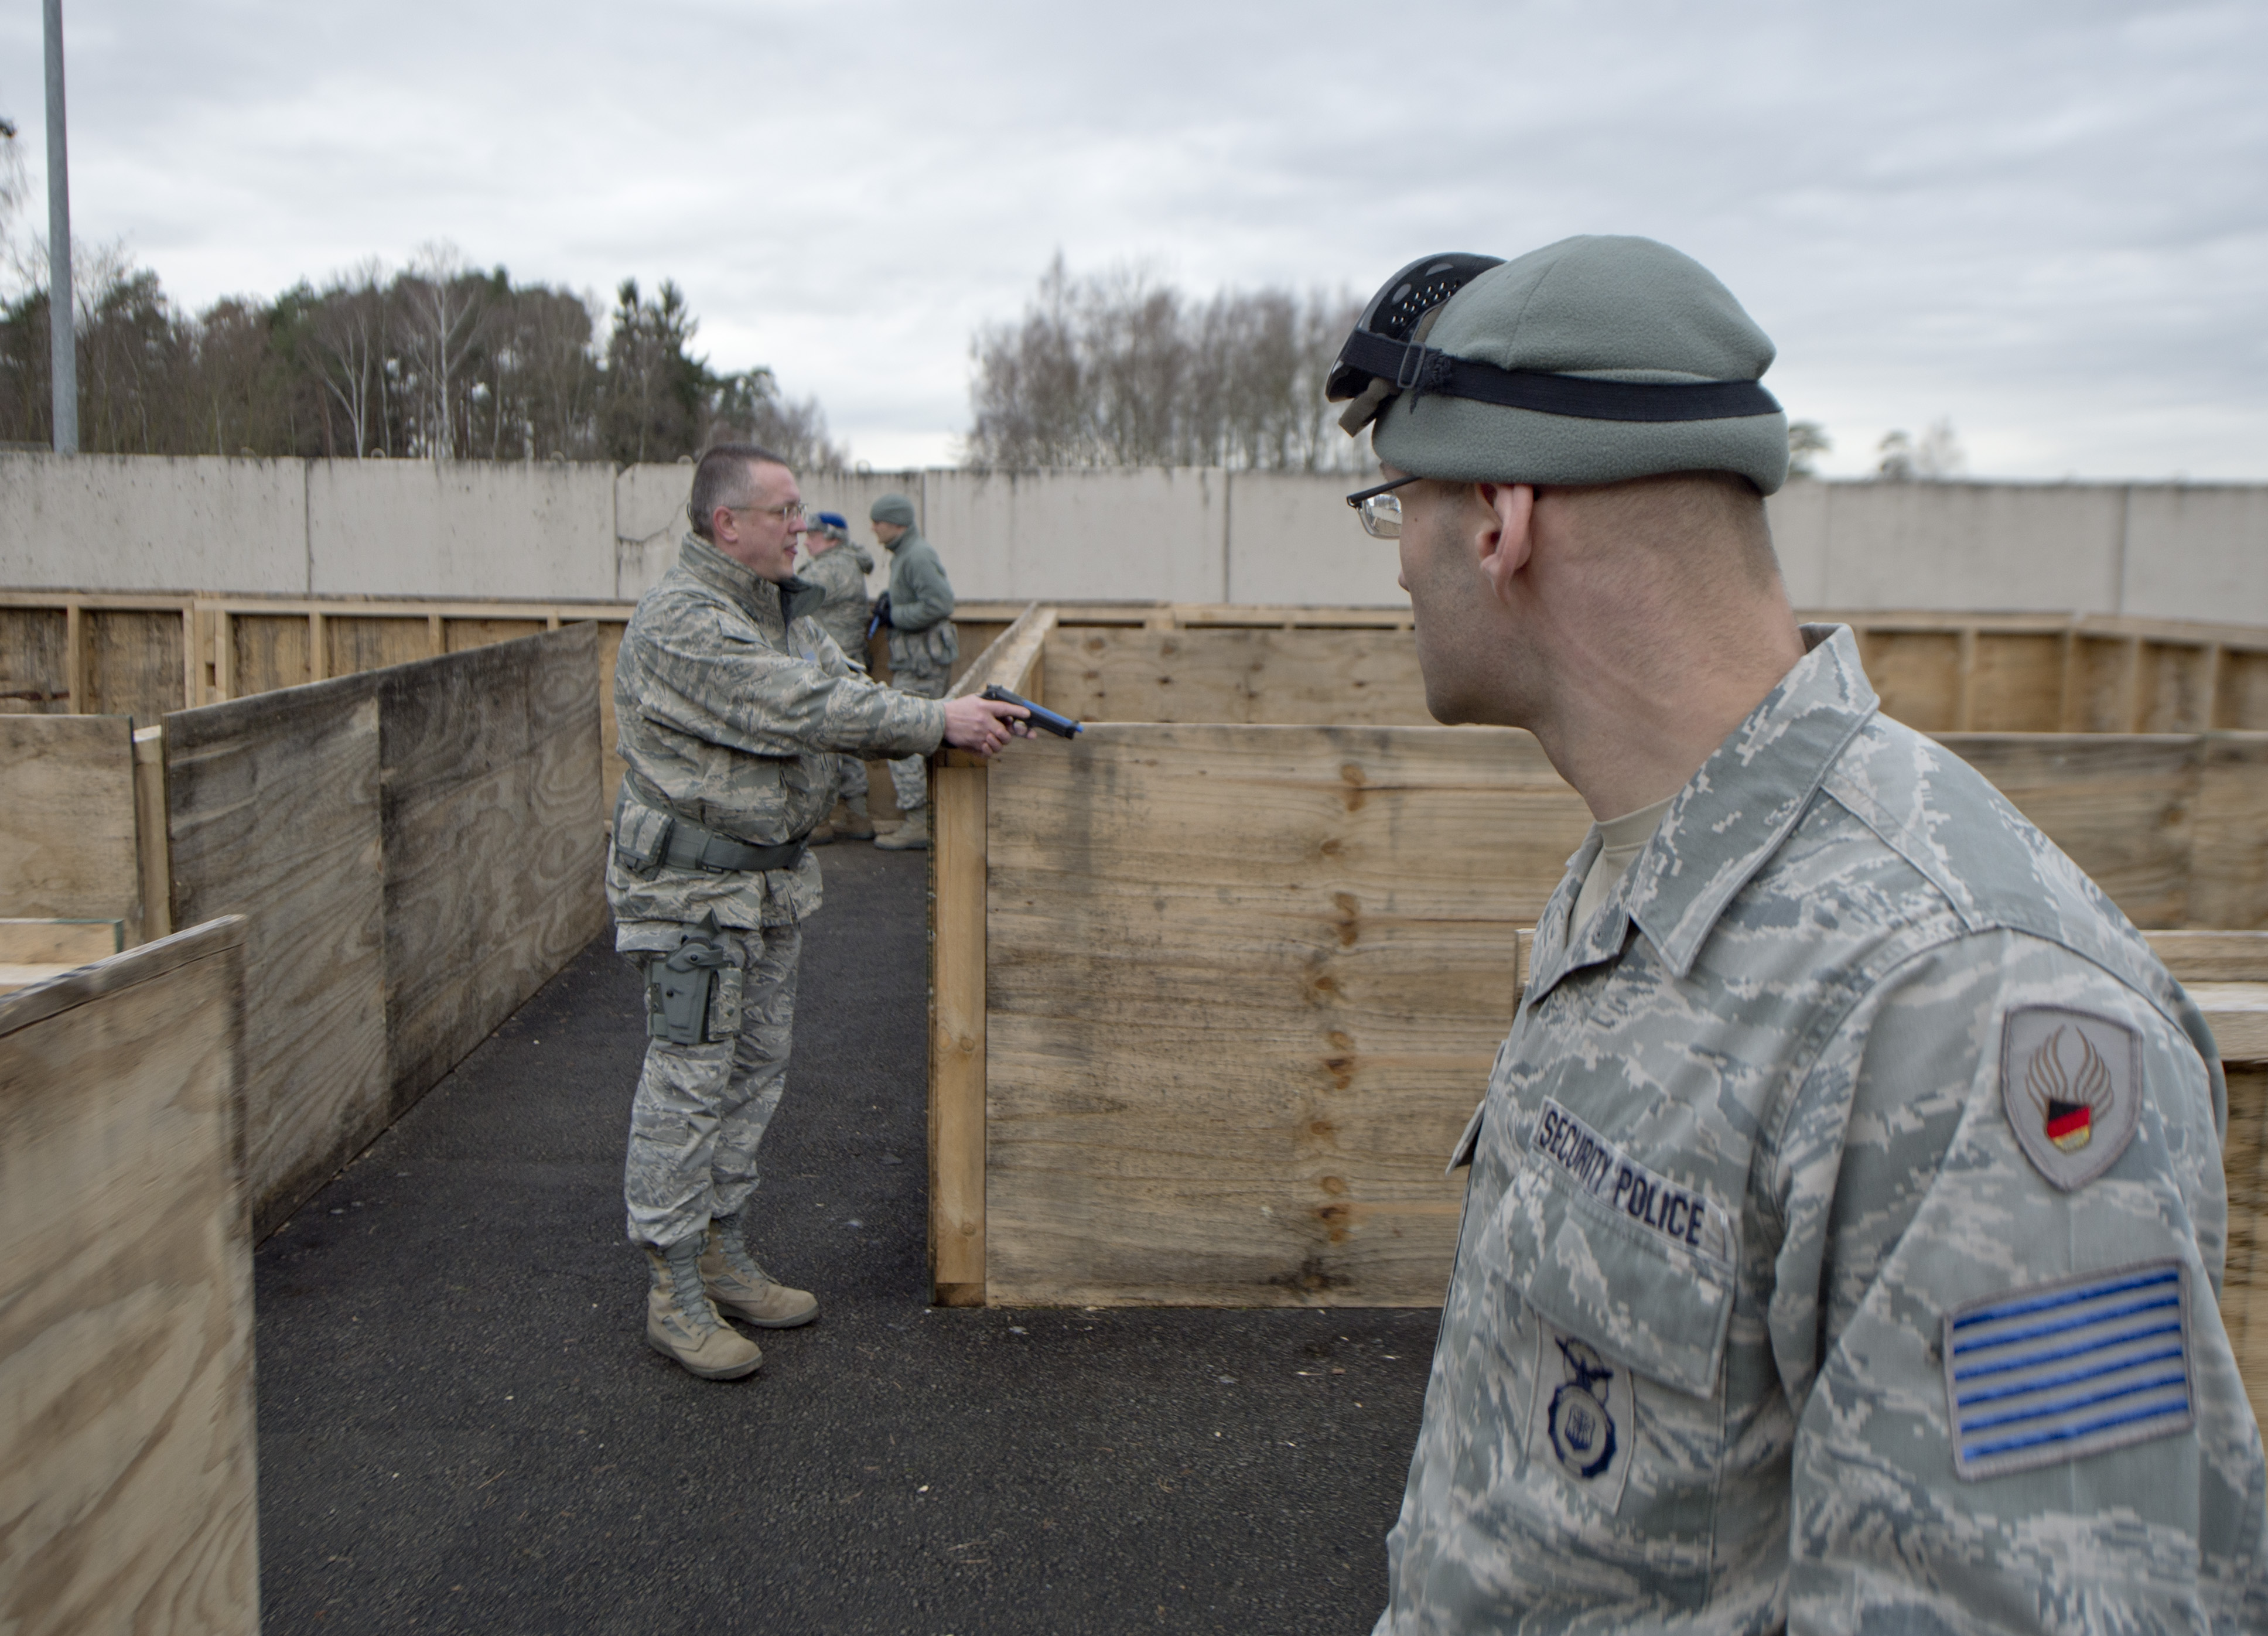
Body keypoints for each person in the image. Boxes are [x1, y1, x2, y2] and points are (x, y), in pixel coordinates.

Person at [1328, 240, 2268, 1631]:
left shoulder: (1973, 1009)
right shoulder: (1644, 865)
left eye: (1394, 503)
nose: (1397, 565)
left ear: (1500, 521)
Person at [607, 445, 1026, 1380]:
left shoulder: (781, 611)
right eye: (785, 511)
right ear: (728, 524)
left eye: (799, 511)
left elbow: (844, 686)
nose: (803, 525)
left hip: (761, 888)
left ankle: (722, 1249)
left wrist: (941, 713)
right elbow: (793, 707)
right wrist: (934, 723)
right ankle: (673, 1287)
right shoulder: (685, 620)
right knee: (688, 1085)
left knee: (752, 1074)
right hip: (690, 900)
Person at [866, 492, 957, 851]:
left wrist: (896, 616)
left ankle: (919, 821)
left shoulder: (916, 555)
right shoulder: (906, 554)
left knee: (901, 735)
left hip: (922, 664)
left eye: (879, 521)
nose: (873, 528)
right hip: (918, 661)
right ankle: (925, 820)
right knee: (918, 735)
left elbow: (940, 603)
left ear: (897, 524)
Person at [795, 510, 879, 844]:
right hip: (839, 665)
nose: (806, 542)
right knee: (845, 742)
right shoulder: (843, 563)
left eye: (813, 536)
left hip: (829, 669)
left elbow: (790, 595)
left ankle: (821, 820)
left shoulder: (832, 567)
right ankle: (857, 815)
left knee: (821, 744)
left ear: (832, 537)